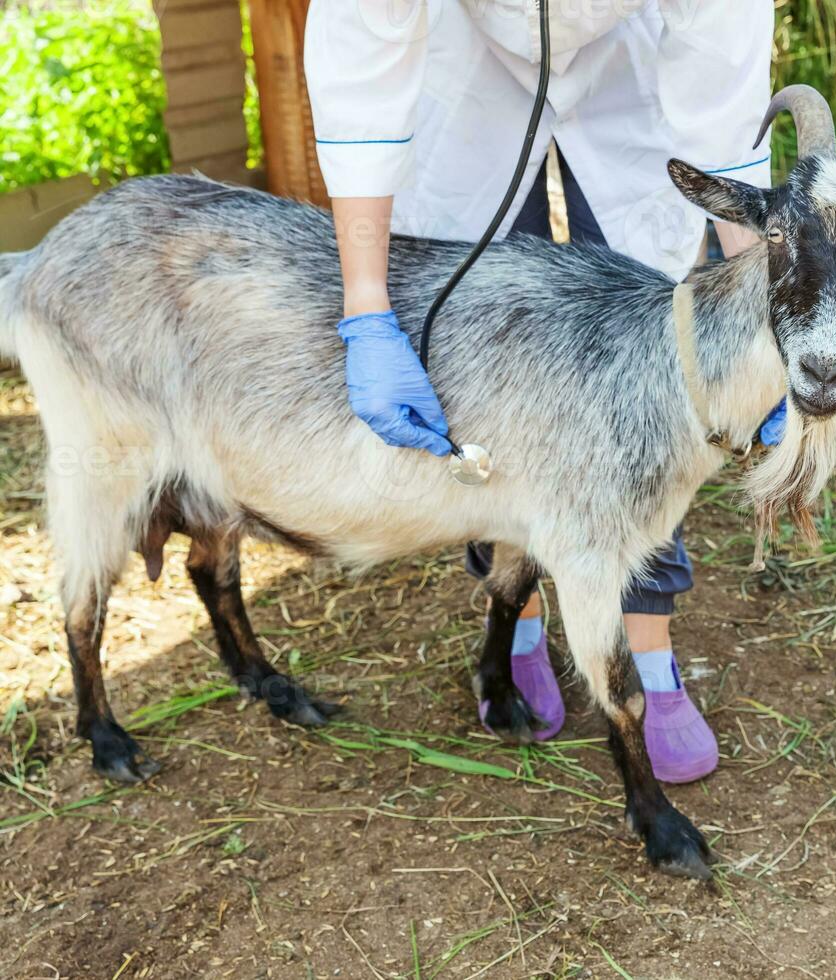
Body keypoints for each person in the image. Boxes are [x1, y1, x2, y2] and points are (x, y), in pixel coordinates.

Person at [303, 0, 776, 783]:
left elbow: (725, 109)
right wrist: (367, 309)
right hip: (464, 75)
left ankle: (648, 644)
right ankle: (513, 609)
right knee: (486, 364)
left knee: (655, 387)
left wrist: (764, 325)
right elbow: (359, 68)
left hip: (635, 71)